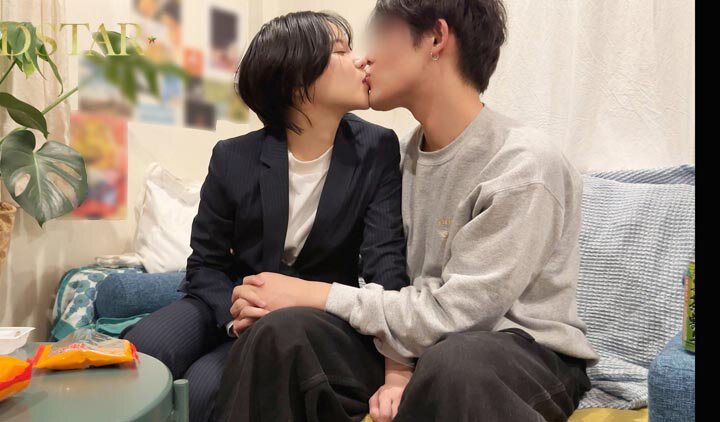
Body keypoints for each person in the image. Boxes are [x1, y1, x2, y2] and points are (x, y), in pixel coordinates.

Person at [221, 1, 601, 421]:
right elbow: (390, 280)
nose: (365, 57)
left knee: (455, 364)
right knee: (280, 333)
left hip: (520, 352)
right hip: (422, 345)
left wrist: (314, 293)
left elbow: (458, 315)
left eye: (381, 34)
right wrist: (396, 369)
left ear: (435, 39)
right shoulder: (398, 159)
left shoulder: (522, 164)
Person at [119, 10, 410, 422]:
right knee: (141, 349)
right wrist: (236, 315)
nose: (361, 60)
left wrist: (397, 372)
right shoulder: (233, 158)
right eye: (342, 51)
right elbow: (205, 265)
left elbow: (386, 263)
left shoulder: (376, 149)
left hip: (311, 316)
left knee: (204, 388)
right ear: (296, 81)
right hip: (234, 303)